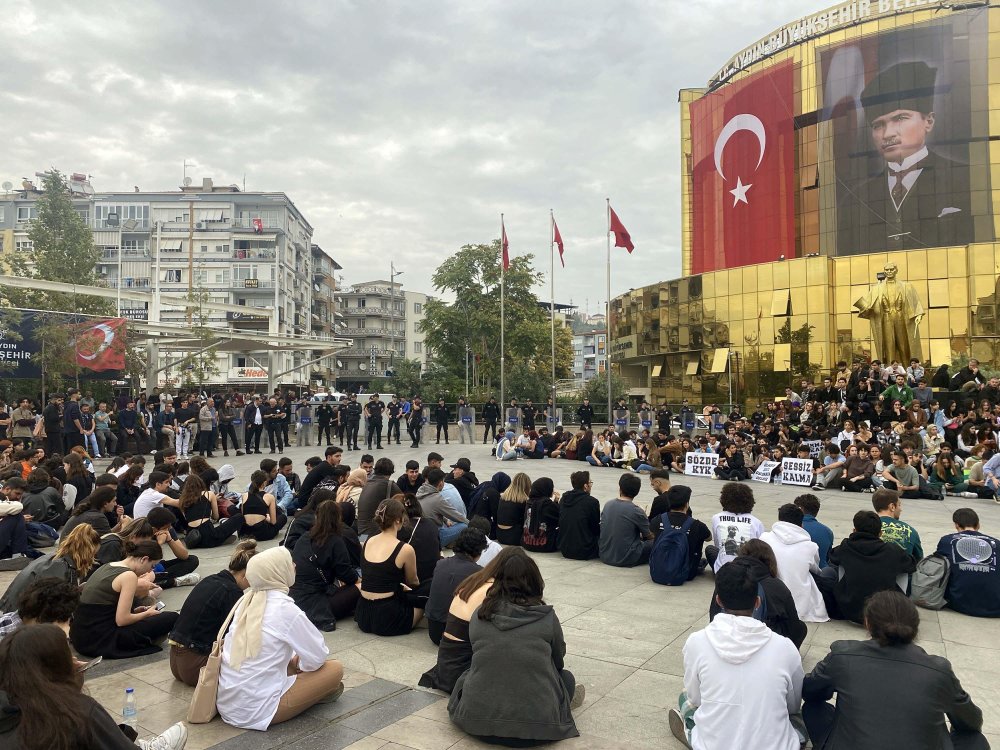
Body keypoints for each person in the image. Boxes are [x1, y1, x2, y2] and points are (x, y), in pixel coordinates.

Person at [802, 591, 987, 750]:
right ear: (915, 626)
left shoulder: (843, 655)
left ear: (867, 622)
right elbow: (971, 721)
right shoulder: (939, 670)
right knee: (975, 740)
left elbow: (810, 691)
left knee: (813, 708)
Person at [448, 549, 582, 743]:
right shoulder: (546, 617)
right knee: (566, 678)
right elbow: (558, 659)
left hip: (478, 724)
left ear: (498, 580)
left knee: (467, 675)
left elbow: (479, 653)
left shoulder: (480, 614)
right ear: (535, 581)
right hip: (538, 731)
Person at [671, 560, 805, 750]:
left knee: (686, 699)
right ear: (757, 602)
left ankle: (691, 731)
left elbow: (697, 698)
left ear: (718, 600)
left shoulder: (697, 642)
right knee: (798, 715)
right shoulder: (785, 648)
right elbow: (792, 705)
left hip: (714, 745)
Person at [0, 624, 189, 750]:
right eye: (67, 654)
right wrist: (72, 682)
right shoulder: (75, 712)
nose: (73, 659)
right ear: (54, 665)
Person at [217, 546, 344, 730]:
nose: (294, 565)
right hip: (257, 711)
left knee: (290, 658)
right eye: (288, 563)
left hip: (228, 706)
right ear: (277, 572)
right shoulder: (284, 608)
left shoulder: (246, 602)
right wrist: (299, 665)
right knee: (335, 669)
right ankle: (313, 695)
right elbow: (317, 657)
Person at [168, 540, 258, 686]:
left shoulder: (211, 579)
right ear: (246, 573)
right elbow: (234, 634)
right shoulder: (232, 592)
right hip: (196, 666)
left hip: (177, 662)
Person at [69, 539, 179, 659]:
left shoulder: (108, 566)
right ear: (144, 559)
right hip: (101, 639)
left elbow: (103, 608)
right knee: (172, 617)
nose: (150, 571)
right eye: (152, 566)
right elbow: (122, 620)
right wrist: (147, 614)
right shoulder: (128, 576)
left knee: (147, 610)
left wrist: (135, 612)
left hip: (80, 636)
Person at [819, 510, 916, 623]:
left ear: (854, 530)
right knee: (902, 569)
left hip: (848, 610)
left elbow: (832, 556)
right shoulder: (893, 551)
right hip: (885, 611)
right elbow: (912, 565)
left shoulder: (846, 547)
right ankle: (897, 603)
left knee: (829, 570)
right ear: (880, 533)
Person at [708, 540, 807, 648]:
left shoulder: (726, 577)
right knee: (800, 627)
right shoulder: (777, 586)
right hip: (765, 645)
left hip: (724, 641)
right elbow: (793, 626)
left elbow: (713, 614)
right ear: (757, 602)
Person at [289, 500, 361, 632]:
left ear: (317, 516)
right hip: (317, 603)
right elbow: (346, 574)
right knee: (361, 586)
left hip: (295, 597)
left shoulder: (305, 537)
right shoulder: (335, 540)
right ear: (338, 518)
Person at [355, 498, 424, 635]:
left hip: (363, 613)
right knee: (424, 601)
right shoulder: (405, 549)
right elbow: (413, 581)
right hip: (388, 617)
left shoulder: (368, 541)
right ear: (398, 520)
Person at [0, 525, 100, 613]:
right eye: (93, 554)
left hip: (17, 608)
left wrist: (76, 590)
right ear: (87, 551)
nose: (93, 558)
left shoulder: (57, 559)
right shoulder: (58, 567)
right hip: (21, 615)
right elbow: (52, 605)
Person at [759, 504, 828, 623]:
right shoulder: (810, 546)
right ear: (801, 524)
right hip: (800, 605)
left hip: (770, 598)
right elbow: (816, 570)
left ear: (780, 519)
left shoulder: (764, 538)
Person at [423, 527, 486, 645]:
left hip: (434, 630)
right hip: (457, 635)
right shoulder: (478, 574)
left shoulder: (440, 564)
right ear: (478, 551)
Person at [935, 508, 1000, 618]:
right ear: (978, 525)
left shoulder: (946, 540)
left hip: (959, 601)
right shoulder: (997, 543)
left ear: (956, 525)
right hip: (995, 606)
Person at [650, 485, 711, 581]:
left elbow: (651, 533)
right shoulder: (697, 525)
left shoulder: (658, 520)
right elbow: (709, 538)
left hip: (658, 571)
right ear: (687, 504)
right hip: (688, 574)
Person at [705, 482, 765, 572]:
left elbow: (718, 545)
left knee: (710, 549)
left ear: (724, 499)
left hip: (723, 571)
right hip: (748, 571)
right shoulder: (756, 522)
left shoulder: (716, 518)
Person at [598, 473, 654, 568]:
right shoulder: (637, 511)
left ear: (620, 488)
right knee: (657, 541)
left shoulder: (608, 504)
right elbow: (649, 536)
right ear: (637, 491)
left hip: (604, 554)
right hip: (626, 558)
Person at [179, 475, 243, 549]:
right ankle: (221, 538)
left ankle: (220, 538)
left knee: (218, 531)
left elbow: (187, 518)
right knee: (239, 517)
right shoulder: (209, 494)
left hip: (193, 538)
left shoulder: (182, 499)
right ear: (200, 483)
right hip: (208, 536)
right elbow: (216, 517)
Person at [415, 467, 468, 547]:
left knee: (448, 523)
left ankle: (450, 542)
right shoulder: (437, 498)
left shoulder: (420, 491)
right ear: (440, 483)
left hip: (421, 533)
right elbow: (456, 516)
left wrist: (445, 520)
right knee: (464, 526)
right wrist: (472, 524)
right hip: (435, 537)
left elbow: (432, 509)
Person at [556, 471, 601, 560]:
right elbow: (595, 529)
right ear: (585, 486)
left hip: (564, 548)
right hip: (585, 550)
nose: (591, 485)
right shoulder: (592, 502)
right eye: (590, 483)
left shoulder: (564, 498)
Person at [873, 487, 923, 562]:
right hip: (900, 572)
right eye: (899, 505)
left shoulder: (865, 527)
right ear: (892, 507)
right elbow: (919, 561)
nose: (901, 509)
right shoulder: (910, 531)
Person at [356, 458, 401, 538]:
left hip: (362, 532)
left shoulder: (367, 483)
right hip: (375, 532)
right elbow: (404, 502)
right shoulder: (389, 485)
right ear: (390, 472)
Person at [238, 469, 287, 541]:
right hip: (262, 533)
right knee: (283, 517)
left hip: (245, 532)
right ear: (264, 483)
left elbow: (243, 516)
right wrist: (267, 518)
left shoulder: (244, 495)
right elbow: (273, 522)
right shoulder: (269, 497)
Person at [794, 493, 834, 567]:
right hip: (821, 573)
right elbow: (827, 557)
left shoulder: (792, 528)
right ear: (817, 512)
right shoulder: (828, 532)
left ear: (800, 509)